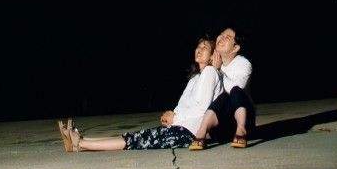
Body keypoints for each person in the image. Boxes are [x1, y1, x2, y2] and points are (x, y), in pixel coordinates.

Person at [59, 36, 217, 152]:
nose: (199, 49)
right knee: (133, 137)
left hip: (188, 132)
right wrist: (172, 114)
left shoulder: (210, 72)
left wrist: (176, 118)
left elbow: (203, 108)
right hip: (180, 127)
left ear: (212, 56)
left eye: (205, 48)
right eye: (199, 46)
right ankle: (83, 141)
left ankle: (80, 144)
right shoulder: (196, 77)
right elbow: (184, 105)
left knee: (133, 140)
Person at [197, 26, 256, 148]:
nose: (221, 38)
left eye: (227, 37)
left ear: (235, 48)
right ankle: (202, 131)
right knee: (222, 97)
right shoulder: (211, 65)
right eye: (221, 34)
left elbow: (237, 91)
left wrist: (218, 71)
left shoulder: (244, 64)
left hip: (243, 121)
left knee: (232, 92)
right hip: (220, 125)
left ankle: (241, 129)